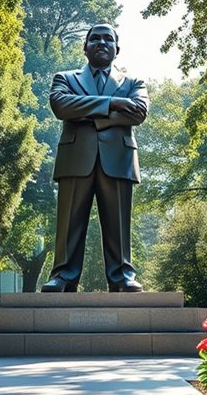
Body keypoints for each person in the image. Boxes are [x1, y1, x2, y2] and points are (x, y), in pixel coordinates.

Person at [40, 23, 148, 293]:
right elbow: (61, 105)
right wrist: (111, 103)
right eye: (95, 39)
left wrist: (87, 113)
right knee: (69, 221)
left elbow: (138, 112)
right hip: (76, 157)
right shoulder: (65, 78)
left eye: (108, 39)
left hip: (119, 158)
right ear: (85, 47)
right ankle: (64, 276)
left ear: (117, 48)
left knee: (118, 223)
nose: (102, 43)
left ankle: (122, 275)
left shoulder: (134, 82)